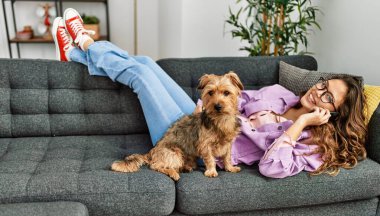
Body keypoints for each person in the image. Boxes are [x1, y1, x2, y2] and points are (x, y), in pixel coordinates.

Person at [51, 8, 367, 179]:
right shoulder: (281, 93)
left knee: (140, 74)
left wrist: (300, 124)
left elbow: (273, 168)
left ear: (334, 112)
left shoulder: (313, 143)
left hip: (191, 145)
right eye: (323, 84)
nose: (319, 92)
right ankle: (77, 54)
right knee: (147, 62)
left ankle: (86, 45)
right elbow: (232, 100)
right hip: (196, 118)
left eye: (329, 97)